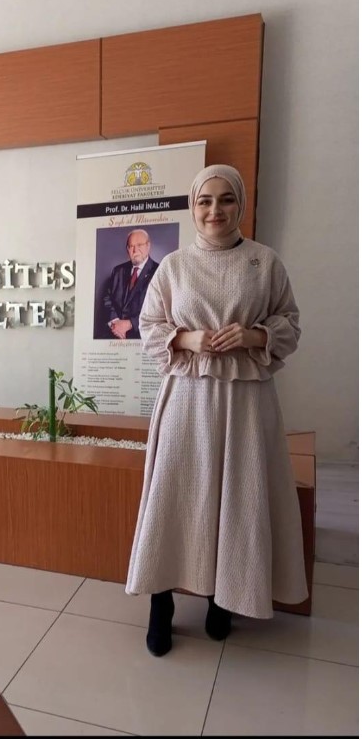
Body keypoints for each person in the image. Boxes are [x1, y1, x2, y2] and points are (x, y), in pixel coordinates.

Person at [125, 164, 308, 657]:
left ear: (240, 204)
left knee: (237, 496)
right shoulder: (174, 266)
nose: (215, 210)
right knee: (174, 497)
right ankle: (160, 603)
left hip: (246, 401)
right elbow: (149, 325)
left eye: (226, 199)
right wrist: (188, 339)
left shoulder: (265, 262)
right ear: (193, 206)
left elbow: (290, 323)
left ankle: (221, 598)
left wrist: (254, 335)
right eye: (205, 200)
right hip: (186, 399)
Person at [103, 229, 159, 339]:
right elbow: (107, 298)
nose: (135, 250)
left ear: (148, 246)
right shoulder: (118, 270)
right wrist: (115, 322)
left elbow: (159, 310)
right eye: (131, 246)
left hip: (143, 338)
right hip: (114, 335)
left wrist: (130, 324)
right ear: (127, 249)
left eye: (139, 245)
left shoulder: (159, 271)